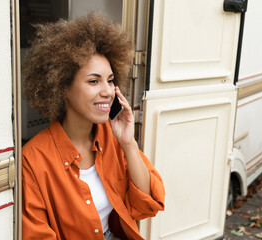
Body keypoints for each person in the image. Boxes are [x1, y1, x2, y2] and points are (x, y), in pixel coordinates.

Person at [21, 13, 165, 240]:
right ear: (63, 88)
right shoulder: (33, 159)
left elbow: (146, 206)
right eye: (94, 81)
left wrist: (128, 143)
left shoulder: (113, 137)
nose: (108, 91)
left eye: (110, 80)